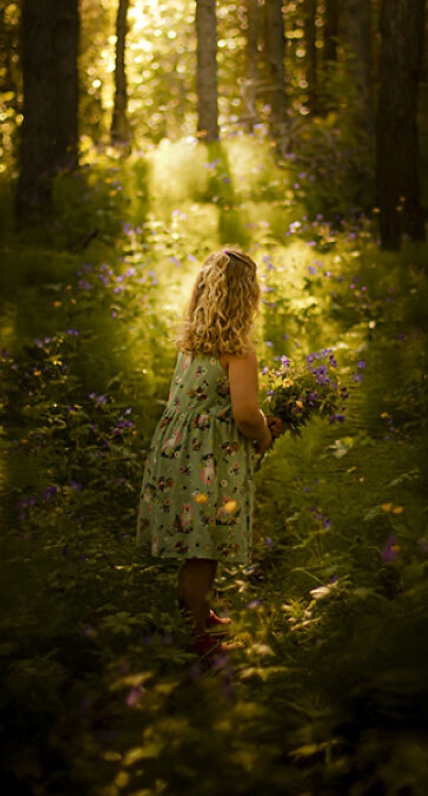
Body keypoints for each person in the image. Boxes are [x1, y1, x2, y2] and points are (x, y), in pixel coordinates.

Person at [136, 247, 282, 659]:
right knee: (203, 548)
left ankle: (200, 614)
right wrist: (264, 434)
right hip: (208, 461)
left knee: (201, 539)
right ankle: (199, 636)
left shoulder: (191, 343)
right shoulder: (239, 350)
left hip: (175, 454)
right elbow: (244, 413)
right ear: (247, 298)